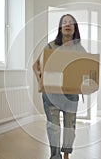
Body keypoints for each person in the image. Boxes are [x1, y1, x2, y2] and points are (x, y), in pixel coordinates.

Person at [33, 14, 85, 159]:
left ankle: (66, 154)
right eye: (64, 22)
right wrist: (40, 83)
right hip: (52, 94)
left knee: (70, 127)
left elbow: (85, 70)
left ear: (75, 28)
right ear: (60, 27)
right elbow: (36, 65)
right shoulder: (50, 46)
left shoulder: (80, 49)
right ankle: (55, 156)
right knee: (53, 127)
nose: (67, 24)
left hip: (71, 94)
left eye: (71, 22)